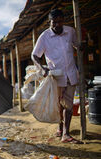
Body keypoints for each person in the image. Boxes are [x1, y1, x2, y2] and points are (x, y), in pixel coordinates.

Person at [31, 9, 83, 144]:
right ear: (50, 22)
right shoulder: (44, 36)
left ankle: (66, 133)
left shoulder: (70, 31)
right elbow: (35, 55)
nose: (57, 25)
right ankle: (61, 128)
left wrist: (80, 47)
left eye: (60, 21)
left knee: (69, 105)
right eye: (54, 22)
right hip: (56, 76)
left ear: (63, 21)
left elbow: (76, 45)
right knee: (59, 105)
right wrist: (41, 68)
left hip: (71, 74)